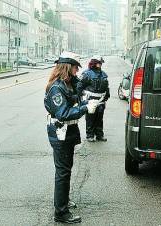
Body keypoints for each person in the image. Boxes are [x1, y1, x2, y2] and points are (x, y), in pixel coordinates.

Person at [44, 54, 99, 223]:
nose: (77, 71)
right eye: (75, 68)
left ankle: (64, 201)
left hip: (68, 133)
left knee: (65, 170)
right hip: (61, 134)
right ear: (68, 67)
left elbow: (77, 91)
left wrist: (84, 101)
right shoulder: (56, 88)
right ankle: (60, 212)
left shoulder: (68, 83)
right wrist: (85, 108)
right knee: (63, 173)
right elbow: (63, 113)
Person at [77, 56, 110, 142]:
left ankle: (99, 135)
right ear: (94, 63)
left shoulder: (103, 74)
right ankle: (90, 135)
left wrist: (107, 95)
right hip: (90, 100)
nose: (100, 64)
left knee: (99, 118)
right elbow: (79, 87)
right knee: (90, 118)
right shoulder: (87, 74)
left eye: (101, 63)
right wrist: (81, 99)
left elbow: (106, 87)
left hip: (101, 100)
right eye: (99, 62)